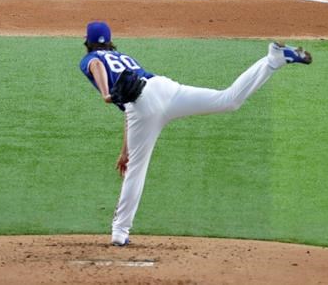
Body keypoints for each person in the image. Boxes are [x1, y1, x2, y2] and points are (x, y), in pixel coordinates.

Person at [79, 21, 312, 246]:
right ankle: (273, 60)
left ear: (87, 42)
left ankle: (120, 232)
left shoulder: (90, 59)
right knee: (228, 100)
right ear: (110, 41)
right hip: (163, 88)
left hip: (142, 107)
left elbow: (98, 67)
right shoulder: (124, 57)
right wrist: (124, 151)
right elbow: (128, 112)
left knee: (136, 171)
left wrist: (105, 93)